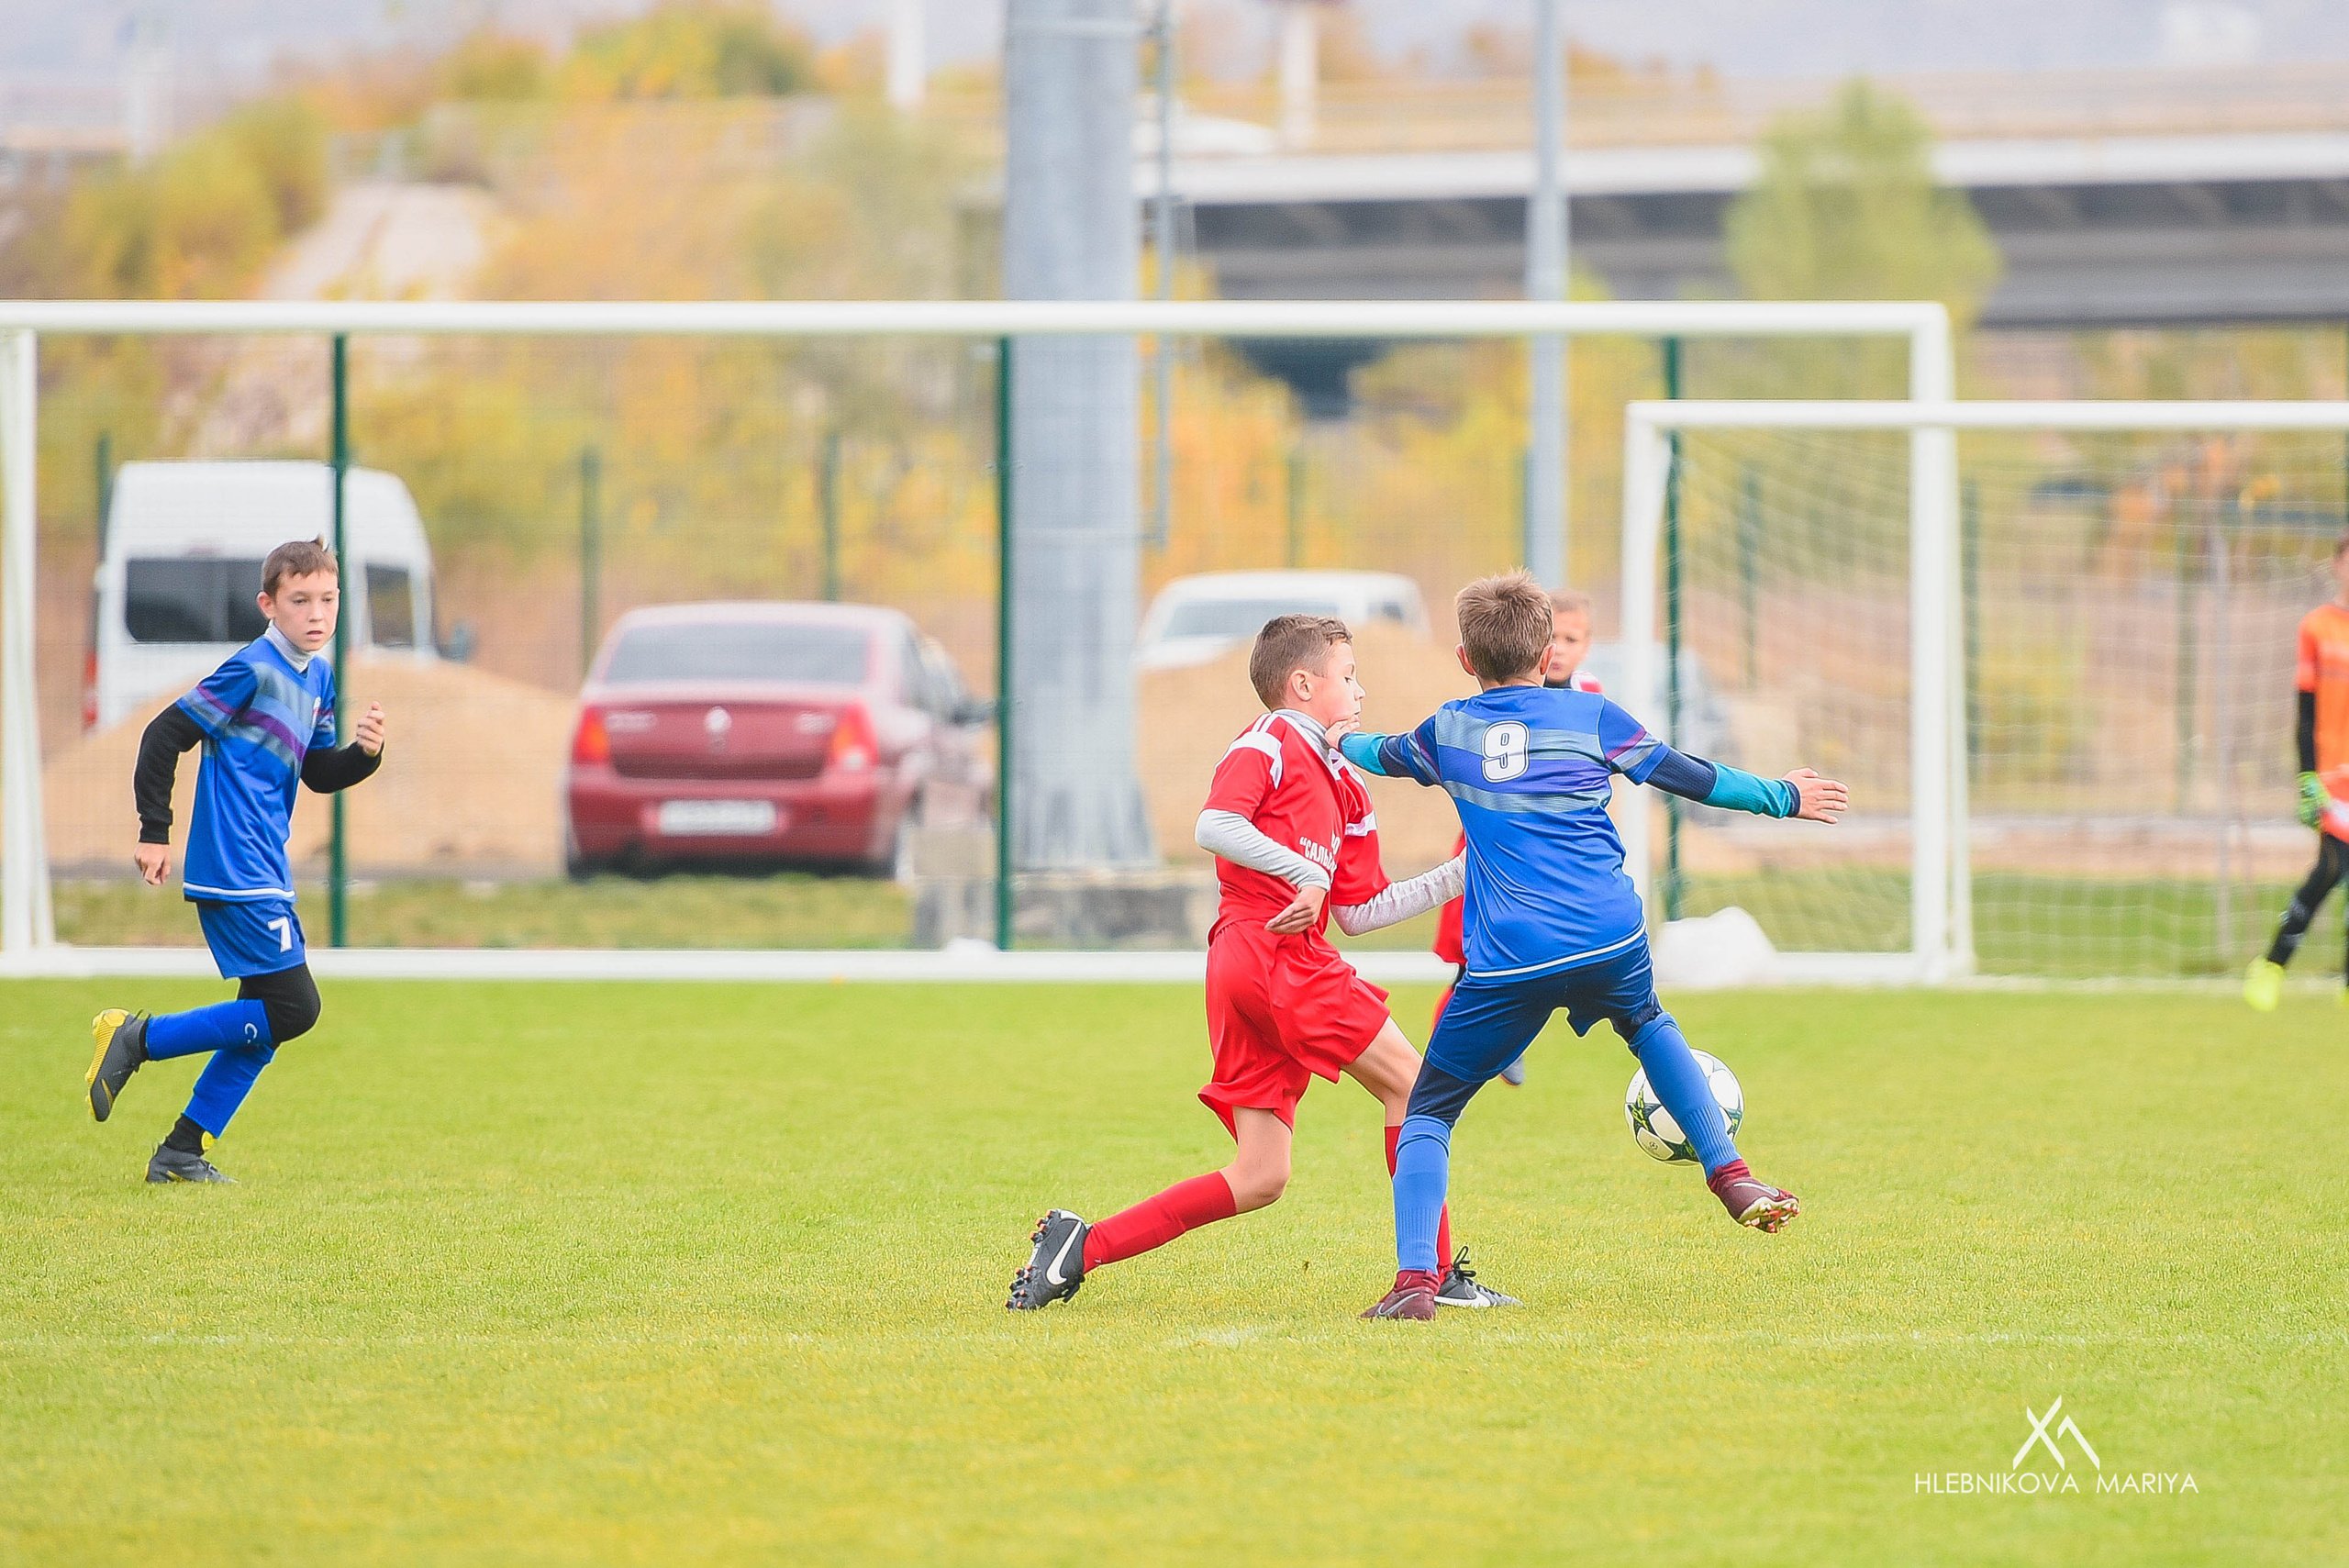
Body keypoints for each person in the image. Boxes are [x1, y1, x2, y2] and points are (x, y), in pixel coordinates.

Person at [1338, 572, 1846, 1321]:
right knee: (1647, 1023)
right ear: (1548, 654)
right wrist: (1783, 796)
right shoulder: (1592, 717)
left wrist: (1322, 731)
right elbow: (1691, 777)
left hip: (1514, 955)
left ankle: (1417, 1281)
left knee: (1429, 1111)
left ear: (1462, 658)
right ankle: (1731, 1173)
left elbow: (1375, 753)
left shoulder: (1447, 731)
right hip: (1610, 932)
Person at [1008, 614, 1517, 1310]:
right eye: (1347, 676)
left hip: (1255, 964)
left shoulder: (1346, 785)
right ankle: (1431, 1278)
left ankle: (1080, 1246)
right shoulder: (1273, 736)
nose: (1362, 691)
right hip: (1273, 953)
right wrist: (1300, 875)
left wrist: (1462, 872)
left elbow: (1359, 911)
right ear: (1302, 685)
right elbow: (1213, 824)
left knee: (1259, 1175)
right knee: (1416, 1086)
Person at [84, 539, 387, 1184]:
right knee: (295, 1007)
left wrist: (364, 755)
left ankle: (180, 1151)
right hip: (233, 864)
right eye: (300, 600)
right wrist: (154, 829)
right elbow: (164, 733)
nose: (316, 613)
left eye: (327, 599)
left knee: (266, 1021)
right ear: (268, 605)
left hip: (263, 867)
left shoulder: (319, 676)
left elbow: (317, 773)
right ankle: (139, 1039)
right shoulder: (252, 668)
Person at [1431, 588, 1602, 1086]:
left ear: (1587, 647)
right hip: (1491, 848)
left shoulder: (1590, 701)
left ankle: (1506, 1042)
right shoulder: (1499, 691)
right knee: (1472, 963)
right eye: (1554, 636)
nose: (1562, 648)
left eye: (1573, 638)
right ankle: (1439, 1069)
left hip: (1550, 855)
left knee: (1548, 956)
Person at [2247, 535, 2349, 1011]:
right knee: (2330, 869)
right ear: (2336, 566)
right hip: (2332, 778)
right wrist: (2306, 776)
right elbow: (2305, 712)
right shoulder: (2317, 626)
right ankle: (2272, 964)